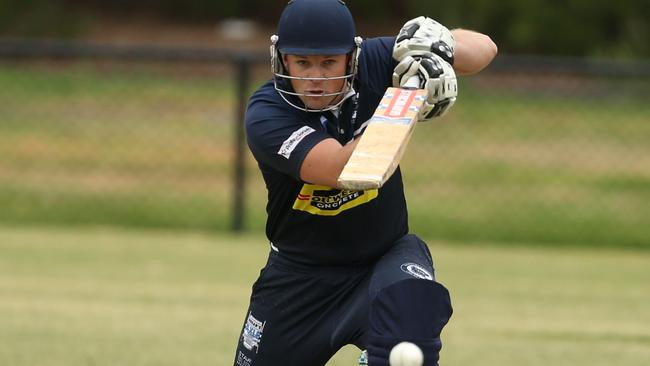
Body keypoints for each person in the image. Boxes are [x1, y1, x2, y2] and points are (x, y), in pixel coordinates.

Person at [233, 1, 497, 365]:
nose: (316, 77)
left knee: (412, 306)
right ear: (282, 60)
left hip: (383, 258)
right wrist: (407, 101)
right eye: (302, 62)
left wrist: (434, 45)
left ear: (351, 58)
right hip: (300, 275)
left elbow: (485, 50)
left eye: (329, 62)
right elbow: (343, 169)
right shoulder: (266, 113)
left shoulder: (374, 61)